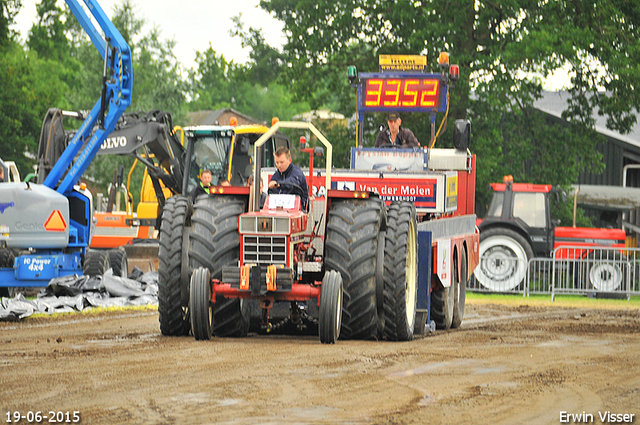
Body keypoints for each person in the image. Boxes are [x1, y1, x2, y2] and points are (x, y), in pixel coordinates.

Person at [268, 147, 309, 211]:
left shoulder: (297, 173)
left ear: (289, 160)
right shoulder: (276, 175)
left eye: (281, 162)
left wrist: (279, 184)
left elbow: (292, 182)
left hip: (299, 210)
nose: (279, 165)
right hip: (279, 210)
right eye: (277, 162)